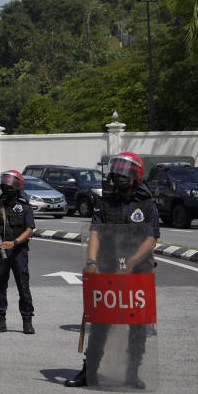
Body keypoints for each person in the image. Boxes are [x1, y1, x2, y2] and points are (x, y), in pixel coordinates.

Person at [65, 152, 158, 389]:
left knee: (137, 328)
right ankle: (89, 372)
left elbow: (151, 239)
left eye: (123, 172)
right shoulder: (105, 202)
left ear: (135, 175)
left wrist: (131, 264)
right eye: (115, 172)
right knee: (101, 323)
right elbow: (95, 232)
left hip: (138, 274)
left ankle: (132, 374)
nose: (117, 177)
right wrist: (91, 261)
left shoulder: (147, 203)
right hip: (107, 271)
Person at [0, 170, 35, 334]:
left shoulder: (24, 206)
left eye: (10, 185)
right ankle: (1, 319)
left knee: (23, 287)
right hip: (0, 252)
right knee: (0, 287)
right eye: (5, 184)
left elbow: (30, 229)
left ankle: (27, 320)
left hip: (18, 252)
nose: (7, 187)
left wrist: (14, 243)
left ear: (17, 186)